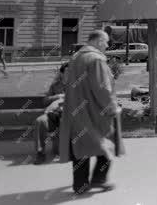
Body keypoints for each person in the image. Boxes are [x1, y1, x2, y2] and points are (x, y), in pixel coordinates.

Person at [59, 30, 123, 195]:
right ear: (99, 40)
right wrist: (111, 106)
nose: (107, 45)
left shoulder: (77, 57)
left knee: (80, 146)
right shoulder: (96, 59)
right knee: (106, 144)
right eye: (106, 42)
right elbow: (102, 88)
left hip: (77, 110)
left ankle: (80, 184)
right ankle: (99, 179)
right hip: (95, 112)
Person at [34, 63, 68, 164]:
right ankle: (40, 153)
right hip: (53, 115)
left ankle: (63, 151)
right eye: (68, 71)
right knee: (39, 121)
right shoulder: (54, 86)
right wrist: (57, 96)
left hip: (69, 117)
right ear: (62, 74)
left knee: (63, 120)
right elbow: (45, 101)